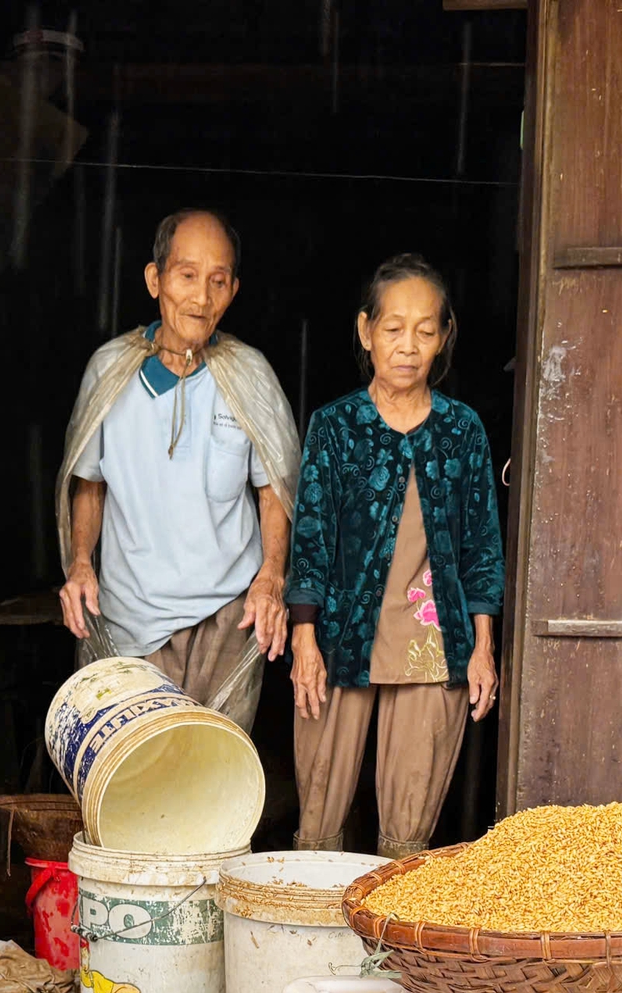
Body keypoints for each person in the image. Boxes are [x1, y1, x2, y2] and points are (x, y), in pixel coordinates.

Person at [286, 254, 504, 857]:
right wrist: (304, 641)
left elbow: (482, 546)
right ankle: (308, 916)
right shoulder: (335, 427)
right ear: (366, 331)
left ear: (444, 337)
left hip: (432, 643)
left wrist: (484, 647)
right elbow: (310, 539)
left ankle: (393, 923)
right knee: (318, 819)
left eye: (425, 331)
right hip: (340, 639)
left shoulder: (462, 430)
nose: (408, 346)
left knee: (408, 839)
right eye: (393, 329)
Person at [55, 210, 301, 730]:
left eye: (218, 281)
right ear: (155, 279)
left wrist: (272, 577)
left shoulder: (249, 375)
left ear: (233, 291)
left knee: (216, 767)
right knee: (139, 767)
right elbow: (89, 485)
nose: (201, 298)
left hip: (229, 621)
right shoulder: (110, 370)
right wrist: (79, 563)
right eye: (187, 276)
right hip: (132, 622)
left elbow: (274, 490)